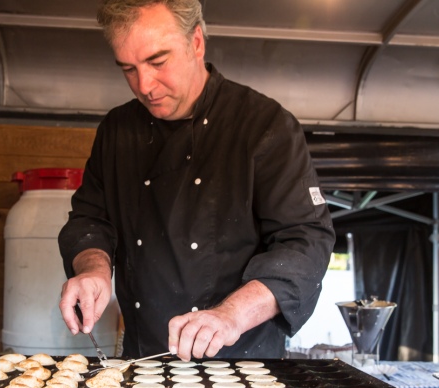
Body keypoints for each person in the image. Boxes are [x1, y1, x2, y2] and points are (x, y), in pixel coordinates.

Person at [58, 0, 335, 361]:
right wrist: (93, 270)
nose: (144, 85)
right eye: (128, 68)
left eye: (158, 62)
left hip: (241, 365)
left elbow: (306, 241)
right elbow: (90, 219)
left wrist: (231, 315)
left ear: (197, 42)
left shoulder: (264, 126)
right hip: (143, 362)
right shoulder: (117, 131)